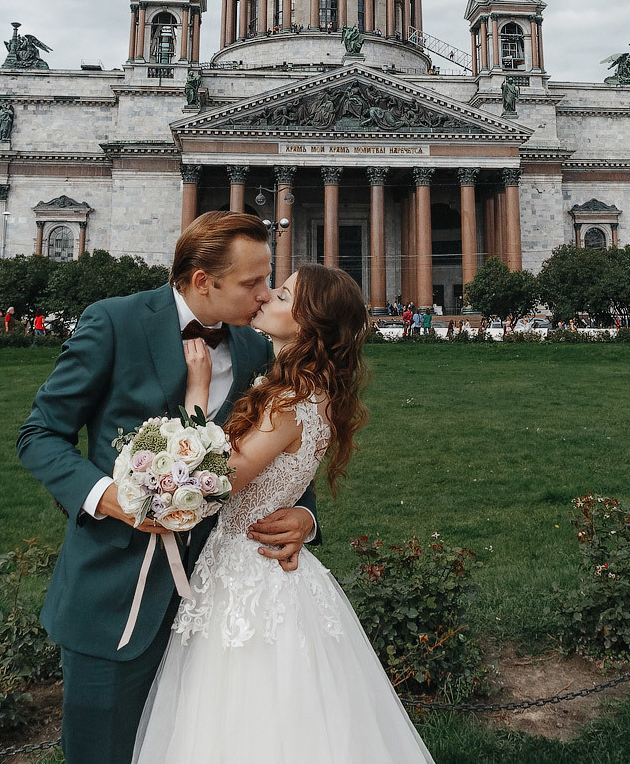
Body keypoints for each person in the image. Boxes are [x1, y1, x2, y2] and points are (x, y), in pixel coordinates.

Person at [17, 212, 320, 764]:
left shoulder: (256, 348)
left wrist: (305, 516)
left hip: (218, 608)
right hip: (114, 594)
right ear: (204, 280)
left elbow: (281, 448)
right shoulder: (114, 322)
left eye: (268, 279)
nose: (265, 294)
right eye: (252, 282)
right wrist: (108, 497)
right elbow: (40, 434)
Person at [133, 263, 431, 763]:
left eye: (285, 295)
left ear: (309, 323)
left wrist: (197, 393)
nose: (267, 295)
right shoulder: (310, 391)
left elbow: (216, 482)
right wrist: (305, 518)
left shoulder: (290, 401)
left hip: (248, 575)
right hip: (261, 564)